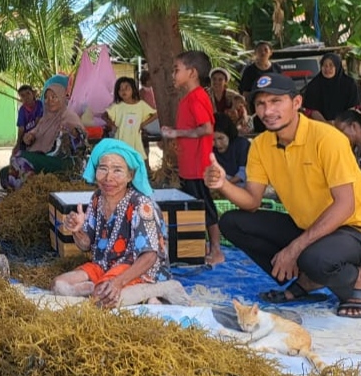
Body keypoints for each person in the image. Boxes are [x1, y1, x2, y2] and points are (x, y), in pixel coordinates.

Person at [205, 73, 361, 319]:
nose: (268, 111)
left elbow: (345, 205)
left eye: (276, 102)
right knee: (232, 222)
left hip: (354, 231)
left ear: (297, 103)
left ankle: (356, 279)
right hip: (309, 228)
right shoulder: (261, 145)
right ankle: (309, 279)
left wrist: (294, 249)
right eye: (261, 104)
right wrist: (222, 183)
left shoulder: (328, 139)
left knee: (312, 256)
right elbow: (252, 202)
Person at [52, 139, 171, 306]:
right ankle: (123, 293)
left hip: (137, 269)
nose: (108, 178)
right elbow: (86, 245)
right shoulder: (97, 198)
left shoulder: (141, 205)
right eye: (103, 169)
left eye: (117, 171)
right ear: (95, 171)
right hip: (104, 265)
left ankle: (151, 291)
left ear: (130, 176)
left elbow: (150, 256)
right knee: (59, 285)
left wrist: (118, 282)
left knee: (103, 297)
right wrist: (77, 230)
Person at [159, 51, 223, 265]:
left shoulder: (196, 97)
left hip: (198, 166)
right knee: (197, 207)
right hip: (189, 165)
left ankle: (216, 251)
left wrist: (176, 133)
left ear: (192, 72)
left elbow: (205, 128)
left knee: (206, 208)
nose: (173, 75)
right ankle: (202, 247)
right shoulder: (190, 97)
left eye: (177, 70)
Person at [5, 81, 85, 189]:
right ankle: (31, 186)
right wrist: (29, 137)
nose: (49, 101)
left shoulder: (69, 116)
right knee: (4, 173)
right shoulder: (46, 118)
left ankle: (34, 188)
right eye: (47, 98)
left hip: (62, 162)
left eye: (54, 97)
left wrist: (72, 133)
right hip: (44, 158)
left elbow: (81, 141)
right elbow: (33, 132)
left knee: (20, 158)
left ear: (61, 98)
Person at [103, 76, 157, 159]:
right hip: (120, 142)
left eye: (126, 88)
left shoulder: (141, 105)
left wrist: (142, 124)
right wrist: (111, 124)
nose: (123, 91)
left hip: (135, 142)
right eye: (120, 89)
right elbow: (104, 115)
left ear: (133, 89)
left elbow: (155, 114)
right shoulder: (117, 106)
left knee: (135, 164)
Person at [301, 51, 361, 122]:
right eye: (324, 65)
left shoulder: (349, 84)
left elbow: (353, 108)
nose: (327, 69)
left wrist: (341, 124)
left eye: (331, 65)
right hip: (321, 125)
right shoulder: (314, 85)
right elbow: (311, 110)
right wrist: (326, 124)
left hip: (345, 124)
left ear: (337, 66)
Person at [239, 41, 277, 134]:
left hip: (275, 109)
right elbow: (246, 94)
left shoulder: (277, 68)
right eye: (259, 50)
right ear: (255, 53)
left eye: (265, 50)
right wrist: (249, 113)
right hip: (257, 111)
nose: (263, 52)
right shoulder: (249, 71)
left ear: (270, 52)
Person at [208, 67, 251, 135]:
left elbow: (243, 111)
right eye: (214, 79)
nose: (216, 82)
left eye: (220, 79)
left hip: (231, 128)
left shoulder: (233, 95)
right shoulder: (205, 95)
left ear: (225, 82)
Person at [14, 84, 43, 151]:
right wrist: (18, 144)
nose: (26, 97)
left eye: (28, 93)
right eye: (23, 96)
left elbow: (38, 122)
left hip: (38, 133)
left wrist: (33, 134)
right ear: (21, 99)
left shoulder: (39, 104)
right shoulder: (22, 110)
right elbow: (21, 129)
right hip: (27, 137)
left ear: (33, 94)